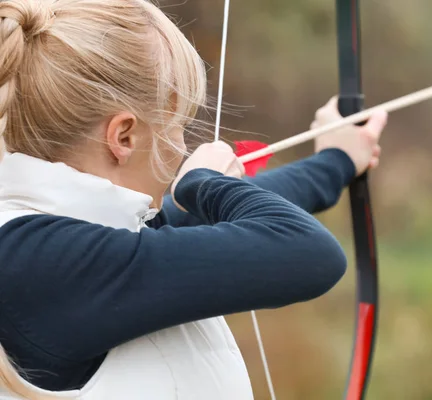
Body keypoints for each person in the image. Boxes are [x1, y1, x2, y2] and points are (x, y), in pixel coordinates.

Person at [0, 0, 388, 399]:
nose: (184, 146)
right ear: (123, 137)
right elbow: (310, 253)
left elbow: (198, 222)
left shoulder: (75, 240)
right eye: (180, 126)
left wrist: (336, 160)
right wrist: (204, 183)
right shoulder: (32, 259)